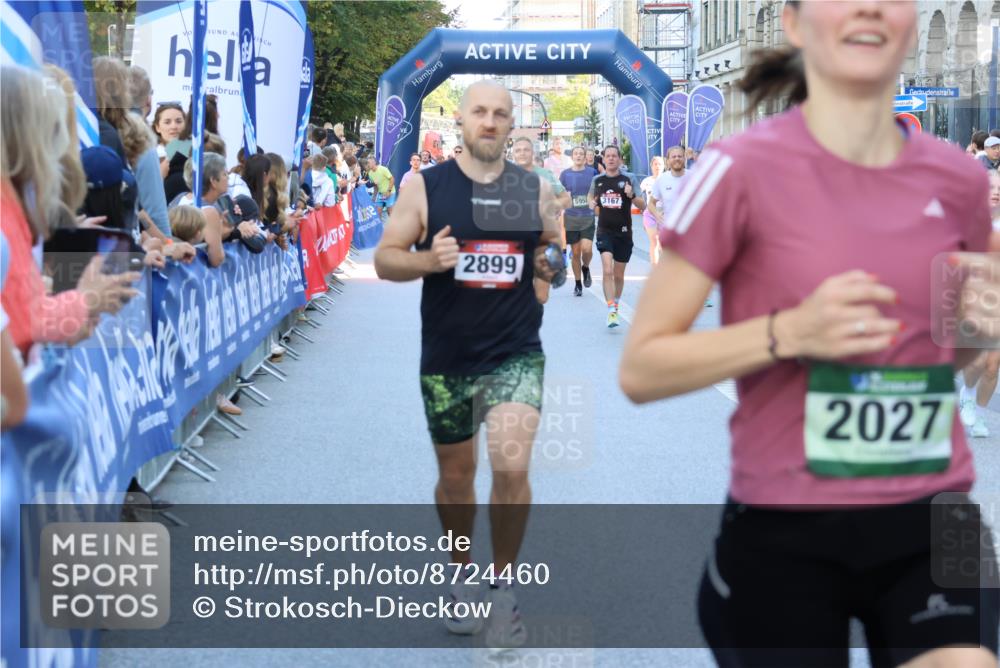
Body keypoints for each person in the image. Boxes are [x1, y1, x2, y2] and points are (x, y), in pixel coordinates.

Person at [620, 2, 999, 666]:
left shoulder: (962, 180)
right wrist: (790, 331)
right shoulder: (738, 169)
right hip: (785, 521)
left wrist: (982, 329)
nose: (869, 5)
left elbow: (955, 355)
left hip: (936, 511)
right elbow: (643, 368)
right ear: (795, 24)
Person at [373, 79, 563, 652]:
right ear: (461, 120)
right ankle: (460, 575)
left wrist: (546, 265)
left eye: (500, 114)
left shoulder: (531, 188)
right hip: (449, 356)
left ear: (512, 125)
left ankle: (502, 592)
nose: (489, 121)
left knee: (511, 470)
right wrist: (429, 259)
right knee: (457, 478)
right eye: (478, 111)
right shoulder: (425, 187)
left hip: (515, 352)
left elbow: (551, 246)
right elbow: (385, 258)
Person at [588, 145, 643, 328]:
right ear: (603, 159)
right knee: (607, 270)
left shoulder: (630, 178)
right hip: (604, 231)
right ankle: (611, 309)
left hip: (624, 233)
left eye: (614, 156)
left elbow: (642, 205)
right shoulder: (597, 180)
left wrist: (632, 195)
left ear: (620, 159)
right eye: (608, 156)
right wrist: (592, 204)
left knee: (619, 275)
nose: (611, 159)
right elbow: (591, 202)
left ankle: (616, 303)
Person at [559, 146, 599, 296]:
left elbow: (599, 189)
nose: (578, 156)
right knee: (575, 253)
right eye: (576, 153)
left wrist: (595, 201)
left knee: (587, 249)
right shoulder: (565, 174)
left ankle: (586, 267)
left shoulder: (592, 172)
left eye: (581, 154)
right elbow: (559, 193)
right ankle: (577, 284)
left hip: (587, 215)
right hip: (571, 216)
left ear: (585, 157)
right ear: (572, 156)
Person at [647, 146, 690, 267]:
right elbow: (651, 203)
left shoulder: (695, 176)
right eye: (674, 156)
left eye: (680, 156)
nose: (677, 159)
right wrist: (657, 215)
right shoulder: (662, 180)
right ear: (668, 160)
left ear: (684, 158)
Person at [639, 156, 664, 265]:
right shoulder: (646, 181)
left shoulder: (667, 179)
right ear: (651, 166)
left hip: (665, 214)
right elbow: (641, 198)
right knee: (654, 241)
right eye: (655, 164)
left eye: (659, 164)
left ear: (664, 166)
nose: (657, 166)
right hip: (650, 213)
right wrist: (642, 213)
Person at [152, 103, 185, 178]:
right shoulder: (151, 157)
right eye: (167, 122)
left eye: (179, 121)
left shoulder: (195, 154)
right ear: (157, 127)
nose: (174, 126)